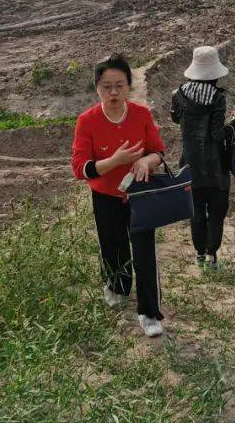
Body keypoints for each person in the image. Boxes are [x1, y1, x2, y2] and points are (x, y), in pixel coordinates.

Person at [71, 54, 167, 338]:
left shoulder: (141, 114)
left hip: (139, 195)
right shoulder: (87, 121)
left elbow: (158, 152)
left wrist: (145, 162)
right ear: (96, 88)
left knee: (145, 253)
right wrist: (114, 161)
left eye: (120, 86)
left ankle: (149, 312)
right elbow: (80, 169)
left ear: (129, 86)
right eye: (106, 86)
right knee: (112, 247)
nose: (113, 92)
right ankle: (117, 286)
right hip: (105, 196)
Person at [171, 46, 235, 270]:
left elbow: (175, 119)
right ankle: (212, 256)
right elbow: (217, 134)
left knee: (197, 212)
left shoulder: (178, 94)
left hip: (190, 164)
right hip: (215, 167)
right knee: (216, 213)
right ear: (215, 73)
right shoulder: (218, 98)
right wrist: (234, 124)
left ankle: (200, 254)